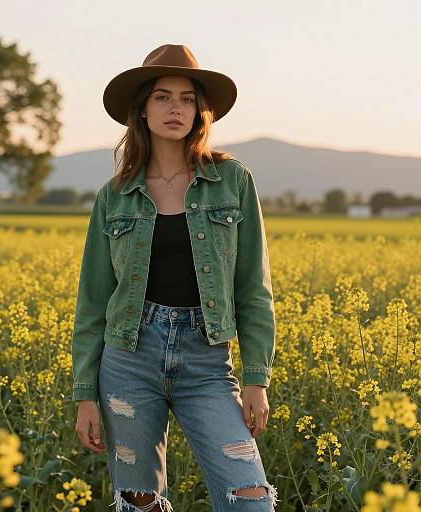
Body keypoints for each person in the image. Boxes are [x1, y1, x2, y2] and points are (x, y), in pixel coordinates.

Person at [72, 44, 279, 512]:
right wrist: (85, 394)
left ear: (200, 112)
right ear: (142, 110)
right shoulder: (115, 196)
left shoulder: (232, 180)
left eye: (187, 98)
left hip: (206, 359)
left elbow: (253, 287)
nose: (175, 108)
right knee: (140, 501)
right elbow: (92, 302)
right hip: (127, 359)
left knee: (249, 497)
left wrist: (256, 378)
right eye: (163, 97)